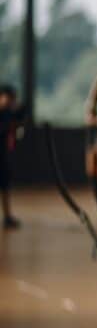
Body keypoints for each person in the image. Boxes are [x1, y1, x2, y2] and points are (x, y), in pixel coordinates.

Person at [0, 85, 25, 229]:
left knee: (5, 185)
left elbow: (21, 113)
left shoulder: (8, 113)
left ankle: (7, 216)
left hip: (2, 155)